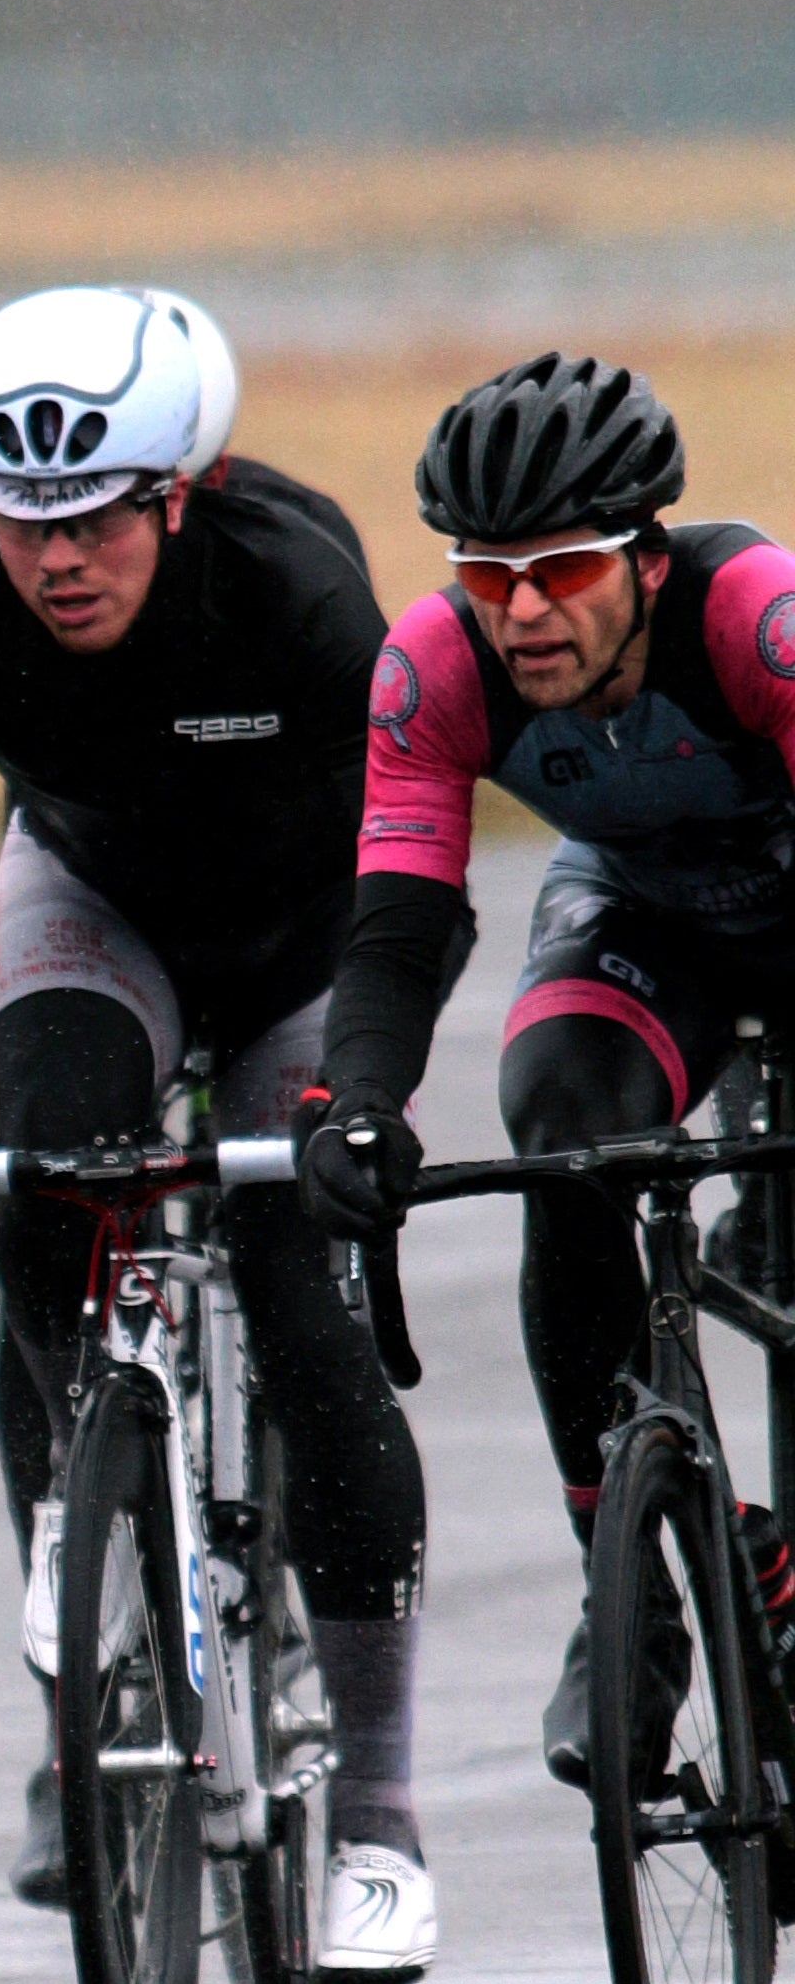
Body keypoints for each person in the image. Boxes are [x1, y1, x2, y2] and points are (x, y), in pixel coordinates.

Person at [0, 286, 437, 1977]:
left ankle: (377, 1813)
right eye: (19, 515)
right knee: (43, 1176)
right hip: (99, 907)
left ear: (176, 493)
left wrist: (362, 1085)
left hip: (298, 945)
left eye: (87, 517)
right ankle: (86, 1629)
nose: (51, 556)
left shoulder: (291, 584)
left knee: (301, 1306)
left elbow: (405, 858)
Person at [297, 351, 795, 1786]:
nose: (520, 609)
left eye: (562, 569)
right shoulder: (433, 665)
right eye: (486, 571)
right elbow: (398, 923)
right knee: (565, 1136)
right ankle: (624, 1587)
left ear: (646, 558)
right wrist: (361, 1103)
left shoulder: (753, 622)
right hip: (649, 919)